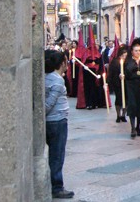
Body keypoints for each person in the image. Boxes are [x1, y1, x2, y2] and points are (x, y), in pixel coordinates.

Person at [44, 49, 75, 199]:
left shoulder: (46, 77)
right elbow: (48, 104)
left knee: (55, 154)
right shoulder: (57, 80)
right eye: (65, 61)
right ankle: (57, 186)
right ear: (61, 63)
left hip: (53, 121)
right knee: (57, 155)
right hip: (57, 121)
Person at [107, 46, 129, 123]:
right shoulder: (115, 62)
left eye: (126, 56)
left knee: (126, 99)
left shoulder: (128, 62)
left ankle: (123, 115)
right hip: (117, 84)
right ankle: (118, 115)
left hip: (126, 83)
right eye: (123, 55)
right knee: (119, 99)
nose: (124, 57)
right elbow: (111, 73)